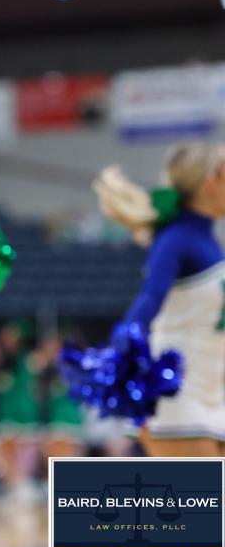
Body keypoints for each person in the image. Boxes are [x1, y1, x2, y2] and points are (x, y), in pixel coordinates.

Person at [93, 145, 225, 455]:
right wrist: (121, 350)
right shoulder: (175, 239)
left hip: (212, 388)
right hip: (177, 390)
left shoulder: (209, 242)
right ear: (211, 181)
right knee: (200, 487)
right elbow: (150, 297)